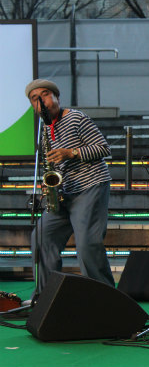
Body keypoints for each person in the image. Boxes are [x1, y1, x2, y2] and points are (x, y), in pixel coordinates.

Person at [26, 79, 115, 296]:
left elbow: (104, 148)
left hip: (90, 186)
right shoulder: (44, 128)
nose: (42, 101)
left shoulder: (76, 118)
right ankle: (47, 298)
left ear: (57, 96)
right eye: (35, 99)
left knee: (86, 245)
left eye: (45, 94)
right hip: (63, 192)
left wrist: (71, 152)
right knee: (41, 238)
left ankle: (105, 298)